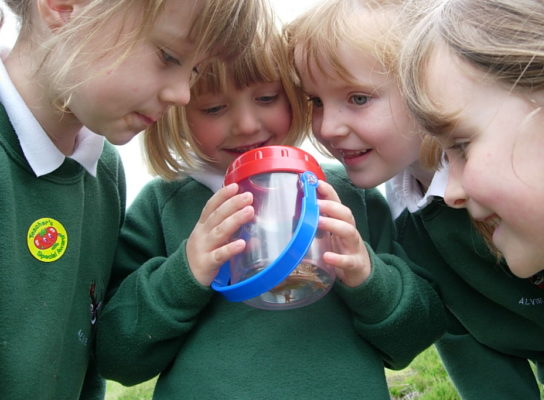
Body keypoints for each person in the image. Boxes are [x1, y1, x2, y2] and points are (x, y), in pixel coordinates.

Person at [94, 17, 445, 399]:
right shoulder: (162, 208)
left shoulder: (348, 198)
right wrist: (184, 273)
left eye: (266, 98)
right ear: (175, 109)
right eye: (213, 108)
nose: (246, 124)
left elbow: (415, 337)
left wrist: (369, 277)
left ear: (295, 96)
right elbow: (118, 358)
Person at [288, 0, 544, 398]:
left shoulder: (532, 180)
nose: (328, 127)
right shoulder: (398, 215)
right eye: (315, 101)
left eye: (359, 98)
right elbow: (463, 333)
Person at [0, 0, 269, 399]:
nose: (183, 93)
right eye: (169, 56)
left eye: (195, 71)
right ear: (64, 5)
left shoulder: (103, 171)